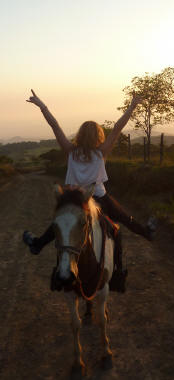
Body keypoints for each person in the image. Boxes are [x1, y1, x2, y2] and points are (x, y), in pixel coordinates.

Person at [23, 89, 156, 292]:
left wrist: (42, 106)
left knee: (62, 226)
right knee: (123, 222)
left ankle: (38, 244)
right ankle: (127, 261)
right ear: (98, 136)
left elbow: (55, 125)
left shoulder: (70, 151)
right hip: (99, 198)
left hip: (75, 200)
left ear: (80, 135)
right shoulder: (101, 152)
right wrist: (132, 107)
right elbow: (118, 128)